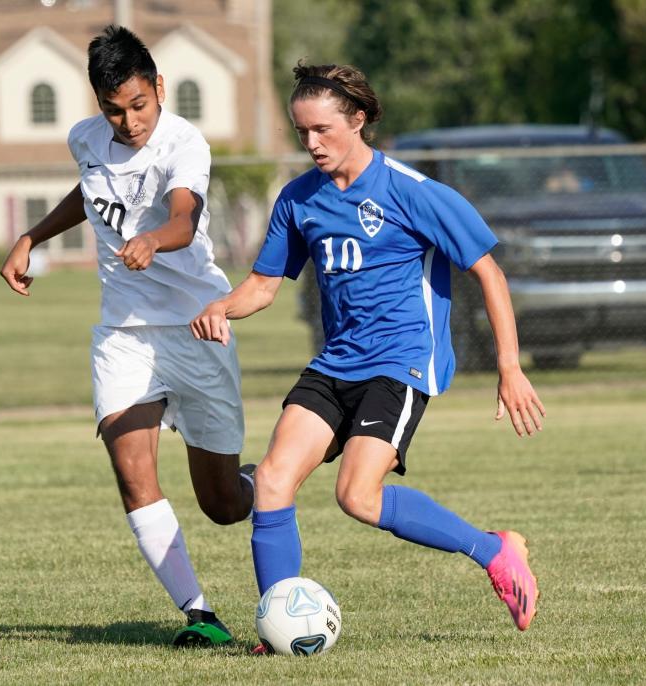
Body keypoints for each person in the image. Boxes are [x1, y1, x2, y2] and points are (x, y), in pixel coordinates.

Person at [190, 63, 546, 643]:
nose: (311, 144)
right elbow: (263, 286)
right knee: (274, 481)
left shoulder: (414, 191)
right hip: (335, 363)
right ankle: (279, 626)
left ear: (358, 120)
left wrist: (509, 366)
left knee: (357, 496)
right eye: (301, 131)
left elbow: (490, 272)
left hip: (402, 364)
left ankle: (495, 550)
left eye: (322, 130)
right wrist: (218, 308)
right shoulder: (298, 198)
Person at [0, 25, 253, 648]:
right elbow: (88, 194)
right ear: (97, 104)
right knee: (130, 468)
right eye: (115, 110)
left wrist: (154, 239)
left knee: (222, 504)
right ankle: (201, 615)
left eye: (139, 105)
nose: (130, 120)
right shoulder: (85, 138)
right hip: (123, 333)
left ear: (158, 88)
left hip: (196, 327)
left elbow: (185, 218)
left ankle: (269, 483)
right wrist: (32, 237)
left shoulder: (183, 143)